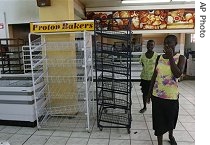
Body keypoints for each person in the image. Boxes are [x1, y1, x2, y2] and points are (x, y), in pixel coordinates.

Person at [147, 35, 186, 145]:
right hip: (157, 96)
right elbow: (154, 75)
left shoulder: (181, 57)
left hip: (171, 96)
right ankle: (160, 143)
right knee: (158, 121)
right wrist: (149, 93)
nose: (167, 45)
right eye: (165, 43)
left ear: (176, 43)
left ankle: (171, 135)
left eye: (169, 43)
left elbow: (178, 74)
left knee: (170, 119)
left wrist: (170, 58)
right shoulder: (159, 57)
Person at [139, 40, 158, 113]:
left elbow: (157, 67)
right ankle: (144, 107)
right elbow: (143, 65)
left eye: (152, 45)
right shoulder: (143, 56)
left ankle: (155, 109)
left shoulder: (157, 56)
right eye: (148, 45)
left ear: (154, 46)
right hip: (144, 78)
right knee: (144, 93)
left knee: (153, 94)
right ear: (146, 45)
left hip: (153, 79)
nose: (150, 46)